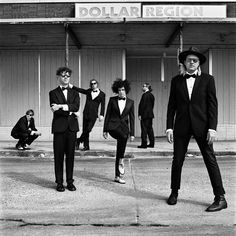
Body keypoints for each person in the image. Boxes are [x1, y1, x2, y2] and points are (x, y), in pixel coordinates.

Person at [166, 47, 227, 212]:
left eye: (194, 60)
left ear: (199, 63)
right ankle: (174, 193)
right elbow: (171, 106)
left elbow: (213, 106)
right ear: (184, 63)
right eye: (188, 60)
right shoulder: (176, 81)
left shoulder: (208, 80)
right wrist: (169, 127)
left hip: (203, 126)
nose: (191, 62)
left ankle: (220, 198)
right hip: (181, 126)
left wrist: (212, 128)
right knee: (177, 160)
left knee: (210, 159)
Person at [49, 67, 80, 192]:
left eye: (68, 75)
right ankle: (59, 182)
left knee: (71, 156)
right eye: (63, 75)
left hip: (72, 128)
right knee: (58, 156)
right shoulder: (53, 93)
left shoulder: (75, 93)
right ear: (58, 77)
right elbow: (54, 109)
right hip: (59, 128)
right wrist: (71, 111)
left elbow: (76, 106)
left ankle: (70, 182)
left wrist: (61, 106)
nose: (66, 77)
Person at [103, 79, 135, 184]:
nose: (121, 92)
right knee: (123, 137)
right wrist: (105, 130)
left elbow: (132, 118)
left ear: (126, 90)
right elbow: (107, 115)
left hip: (124, 128)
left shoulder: (131, 102)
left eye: (123, 90)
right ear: (117, 91)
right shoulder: (112, 100)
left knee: (120, 152)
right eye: (119, 90)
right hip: (113, 127)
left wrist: (133, 134)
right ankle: (121, 163)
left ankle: (118, 175)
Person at [70, 79, 105, 151]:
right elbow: (81, 90)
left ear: (97, 84)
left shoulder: (102, 94)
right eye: (91, 84)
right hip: (86, 113)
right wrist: (72, 86)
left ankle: (78, 140)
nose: (93, 85)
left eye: (94, 83)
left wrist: (102, 114)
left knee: (88, 129)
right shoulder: (89, 91)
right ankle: (86, 146)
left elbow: (103, 105)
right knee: (85, 130)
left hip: (94, 114)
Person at [137, 83, 155, 148]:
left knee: (144, 130)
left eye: (143, 86)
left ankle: (144, 144)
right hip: (150, 115)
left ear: (147, 87)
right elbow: (152, 105)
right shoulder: (152, 95)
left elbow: (142, 106)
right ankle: (152, 143)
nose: (142, 87)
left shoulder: (144, 95)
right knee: (150, 129)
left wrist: (140, 114)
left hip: (144, 115)